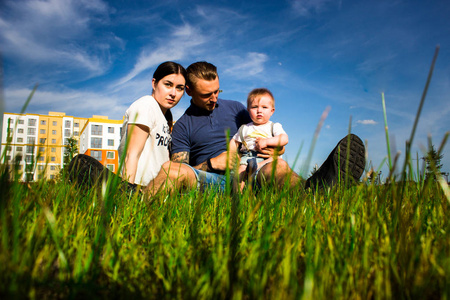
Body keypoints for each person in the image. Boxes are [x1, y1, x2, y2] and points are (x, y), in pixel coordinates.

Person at [144, 61, 366, 197]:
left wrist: (274, 149)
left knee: (277, 168)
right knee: (169, 170)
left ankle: (314, 192)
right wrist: (212, 163)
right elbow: (179, 169)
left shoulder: (236, 108)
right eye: (206, 94)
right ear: (190, 91)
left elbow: (262, 132)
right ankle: (136, 198)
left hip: (251, 175)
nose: (214, 98)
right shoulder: (182, 126)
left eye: (217, 91)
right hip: (212, 183)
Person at [67, 61, 187, 188]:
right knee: (81, 163)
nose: (173, 93)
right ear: (154, 83)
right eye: (168, 85)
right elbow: (131, 155)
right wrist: (127, 192)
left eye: (179, 88)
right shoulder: (146, 105)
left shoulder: (165, 116)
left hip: (156, 190)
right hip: (138, 186)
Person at [231, 88, 289, 190]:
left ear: (272, 111)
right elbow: (234, 142)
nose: (259, 111)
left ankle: (257, 169)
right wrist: (233, 155)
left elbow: (284, 138)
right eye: (254, 107)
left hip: (267, 158)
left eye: (264, 107)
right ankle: (236, 197)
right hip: (248, 157)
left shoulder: (274, 126)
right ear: (248, 110)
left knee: (277, 166)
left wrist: (267, 142)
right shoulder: (244, 128)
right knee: (239, 173)